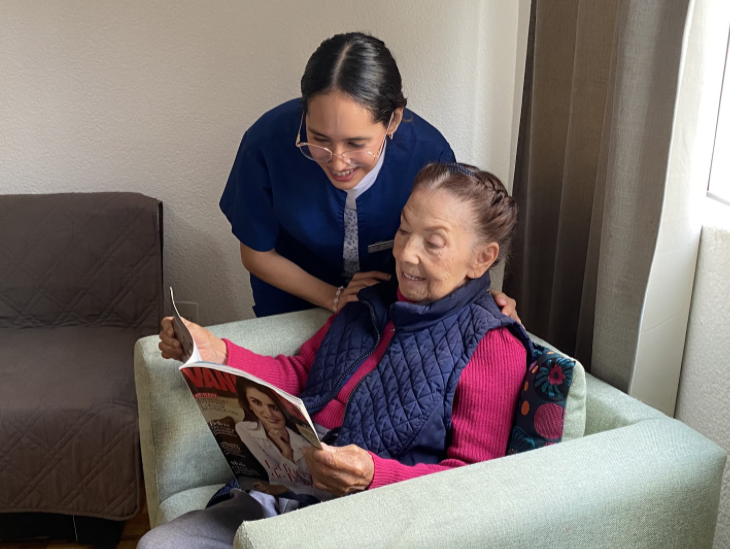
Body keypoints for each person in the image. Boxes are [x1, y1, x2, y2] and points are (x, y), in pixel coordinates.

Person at [142, 162, 533, 548]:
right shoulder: (369, 299)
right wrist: (219, 352)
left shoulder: (492, 344)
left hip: (371, 519)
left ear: (482, 258)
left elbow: (474, 481)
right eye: (403, 229)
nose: (406, 254)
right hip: (284, 489)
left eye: (433, 243)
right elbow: (302, 373)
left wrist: (372, 475)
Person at [219, 32, 519, 320]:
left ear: (393, 121)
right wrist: (333, 297)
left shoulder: (429, 155)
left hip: (392, 302)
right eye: (319, 139)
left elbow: (453, 248)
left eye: (355, 144)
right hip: (292, 302)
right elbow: (257, 253)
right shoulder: (265, 144)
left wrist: (480, 298)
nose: (337, 162)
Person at [232, 378, 319, 497]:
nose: (267, 414)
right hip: (264, 493)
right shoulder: (244, 429)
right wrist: (287, 455)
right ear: (249, 405)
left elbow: (320, 492)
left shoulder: (305, 443)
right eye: (256, 402)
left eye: (274, 407)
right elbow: (273, 478)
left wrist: (287, 452)